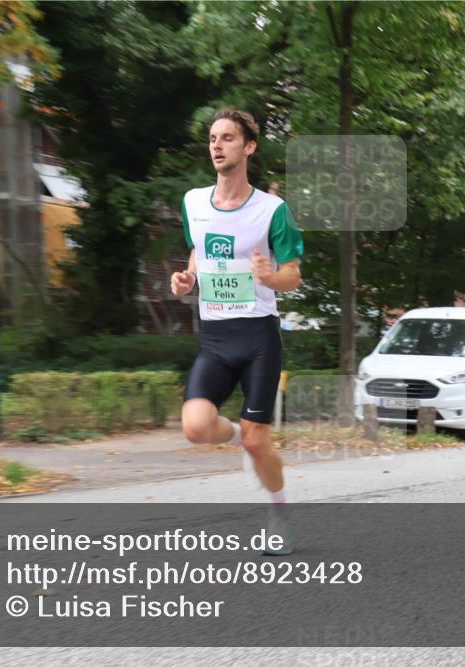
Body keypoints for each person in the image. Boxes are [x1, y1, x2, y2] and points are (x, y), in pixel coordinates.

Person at [170, 108, 304, 553]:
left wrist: (270, 278)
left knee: (258, 440)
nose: (217, 144)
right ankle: (240, 438)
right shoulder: (192, 202)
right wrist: (188, 278)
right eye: (212, 137)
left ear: (248, 147)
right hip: (215, 337)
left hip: (258, 338)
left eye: (228, 137)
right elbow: (197, 252)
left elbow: (293, 276)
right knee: (194, 426)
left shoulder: (272, 211)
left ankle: (279, 514)